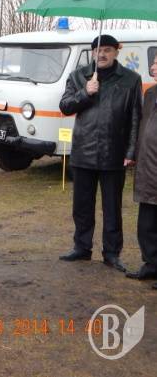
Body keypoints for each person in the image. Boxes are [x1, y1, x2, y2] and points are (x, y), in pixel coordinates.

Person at [59, 34, 142, 272]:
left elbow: (135, 117)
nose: (102, 54)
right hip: (83, 151)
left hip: (113, 153)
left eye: (107, 50)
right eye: (98, 50)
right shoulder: (78, 76)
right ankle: (81, 247)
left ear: (116, 52)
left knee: (112, 208)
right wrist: (85, 92)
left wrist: (131, 151)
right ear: (92, 52)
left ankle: (112, 253)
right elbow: (65, 106)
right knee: (82, 206)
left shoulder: (131, 79)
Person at [127, 54, 157, 288]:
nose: (153, 66)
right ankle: (151, 264)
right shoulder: (150, 94)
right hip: (148, 168)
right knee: (146, 224)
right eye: (154, 62)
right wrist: (133, 154)